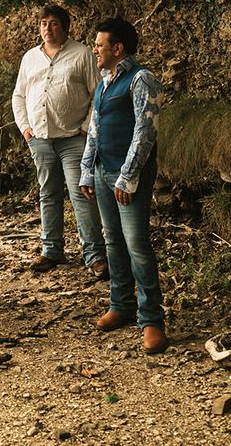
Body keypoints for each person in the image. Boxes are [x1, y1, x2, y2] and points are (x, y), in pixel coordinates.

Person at [79, 18, 168, 355]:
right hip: (103, 173)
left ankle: (152, 321)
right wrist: (88, 171)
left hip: (128, 177)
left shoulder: (141, 79)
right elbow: (96, 130)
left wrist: (128, 176)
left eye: (100, 45)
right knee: (112, 241)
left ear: (117, 49)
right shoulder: (104, 82)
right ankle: (121, 305)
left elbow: (145, 132)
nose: (95, 50)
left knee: (137, 245)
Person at [11, 4, 106, 278]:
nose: (47, 28)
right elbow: (19, 95)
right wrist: (26, 128)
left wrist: (86, 129)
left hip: (73, 139)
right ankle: (52, 251)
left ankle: (95, 255)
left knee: (82, 195)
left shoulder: (83, 55)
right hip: (39, 139)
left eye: (53, 23)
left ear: (65, 27)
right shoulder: (30, 57)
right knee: (48, 195)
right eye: (43, 23)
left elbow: (97, 95)